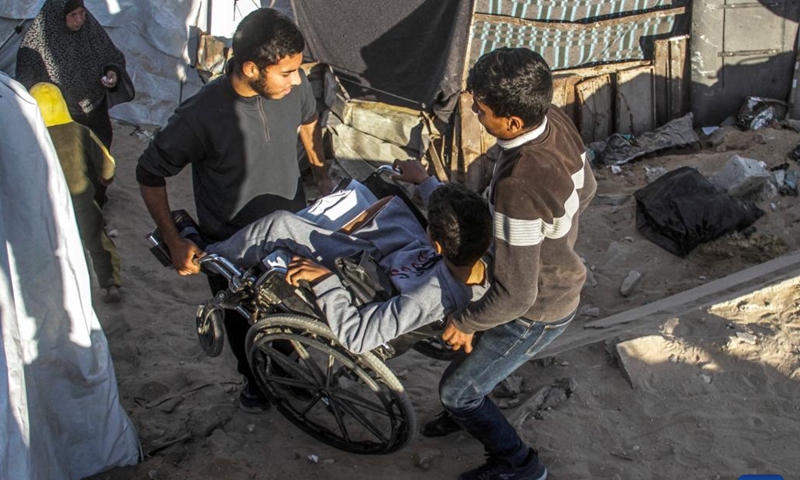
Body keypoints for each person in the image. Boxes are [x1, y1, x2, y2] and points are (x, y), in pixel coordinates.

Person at [395, 48, 597, 480]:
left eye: (480, 108)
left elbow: (518, 295)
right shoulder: (554, 121)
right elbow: (589, 187)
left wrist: (467, 321)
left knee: (456, 390)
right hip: (553, 279)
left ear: (512, 122)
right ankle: (471, 411)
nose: (473, 111)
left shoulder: (517, 185)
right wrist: (557, 234)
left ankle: (519, 465)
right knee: (470, 367)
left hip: (537, 309)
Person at [136, 8, 333, 414]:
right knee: (242, 321)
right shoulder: (200, 116)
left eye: (298, 70)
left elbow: (309, 122)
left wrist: (322, 176)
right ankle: (256, 384)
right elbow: (149, 172)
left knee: (292, 313)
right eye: (287, 72)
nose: (297, 80)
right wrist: (174, 241)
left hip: (290, 232)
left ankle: (291, 374)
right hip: (232, 246)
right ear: (251, 68)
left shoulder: (293, 89)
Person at [205, 179, 492, 354]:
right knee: (380, 194)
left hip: (369, 281)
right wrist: (425, 181)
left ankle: (209, 260)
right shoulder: (481, 257)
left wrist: (324, 280)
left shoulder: (423, 299)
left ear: (438, 246)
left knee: (280, 224)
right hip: (402, 257)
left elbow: (358, 337)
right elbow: (462, 222)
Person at [16, 0, 134, 207]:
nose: (80, 20)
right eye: (73, 15)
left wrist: (112, 73)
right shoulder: (34, 45)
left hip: (94, 108)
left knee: (100, 155)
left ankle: (97, 202)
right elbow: (26, 87)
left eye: (82, 13)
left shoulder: (90, 30)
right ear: (58, 18)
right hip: (62, 118)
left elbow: (111, 56)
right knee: (70, 165)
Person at [29, 82, 122, 303]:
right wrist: (106, 177)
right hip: (80, 199)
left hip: (45, 205)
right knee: (97, 240)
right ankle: (110, 283)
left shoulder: (30, 137)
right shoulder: (80, 130)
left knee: (50, 246)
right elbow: (106, 162)